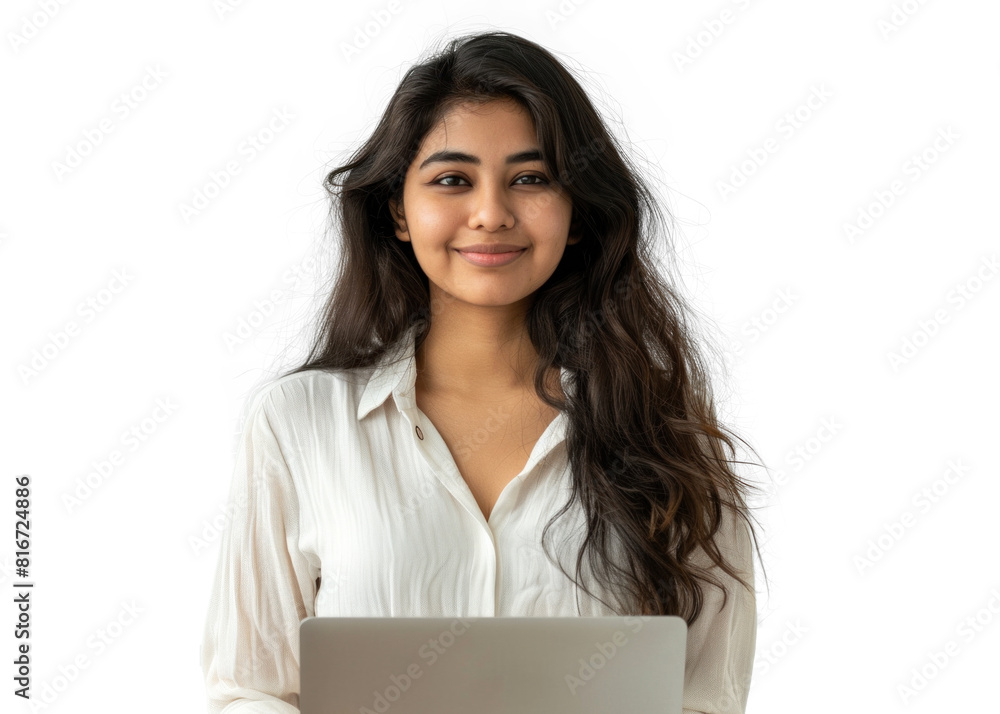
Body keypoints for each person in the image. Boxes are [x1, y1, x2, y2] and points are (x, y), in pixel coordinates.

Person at [201, 30, 766, 714]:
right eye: (451, 180)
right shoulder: (297, 424)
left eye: (530, 179)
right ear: (399, 214)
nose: (492, 213)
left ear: (578, 213)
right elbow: (251, 689)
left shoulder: (671, 443)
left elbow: (704, 700)